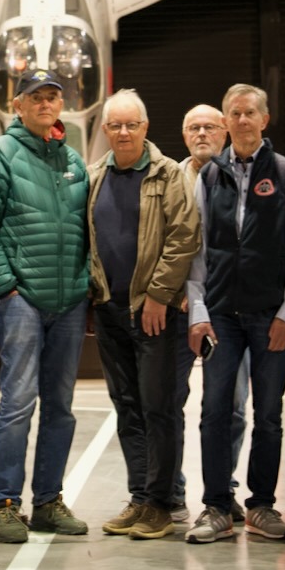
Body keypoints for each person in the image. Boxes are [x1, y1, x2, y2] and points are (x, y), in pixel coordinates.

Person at [0, 68, 91, 544]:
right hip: (23, 301)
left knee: (61, 407)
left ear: (61, 105)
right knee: (17, 403)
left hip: (69, 302)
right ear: (17, 105)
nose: (45, 103)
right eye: (35, 97)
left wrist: (83, 283)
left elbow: (87, 230)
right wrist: (6, 287)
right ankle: (3, 504)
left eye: (52, 96)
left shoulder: (73, 160)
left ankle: (48, 502)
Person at [185, 84, 285, 543]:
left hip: (269, 315)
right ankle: (217, 507)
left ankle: (262, 506)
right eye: (235, 114)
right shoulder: (208, 177)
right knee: (214, 411)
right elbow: (197, 252)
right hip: (220, 315)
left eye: (250, 113)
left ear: (265, 119)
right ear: (226, 122)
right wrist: (198, 311)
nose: (242, 121)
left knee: (269, 414)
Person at [89, 90, 201, 540]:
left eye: (131, 125)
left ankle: (161, 503)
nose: (123, 133)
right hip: (110, 312)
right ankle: (140, 497)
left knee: (159, 409)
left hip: (153, 312)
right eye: (115, 125)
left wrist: (158, 295)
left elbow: (184, 236)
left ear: (145, 128)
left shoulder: (168, 173)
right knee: (128, 408)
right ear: (104, 130)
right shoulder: (95, 176)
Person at [172, 104, 250, 525]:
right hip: (175, 310)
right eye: (193, 127)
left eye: (210, 127)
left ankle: (224, 488)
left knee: (231, 407)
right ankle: (172, 491)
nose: (202, 133)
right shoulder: (169, 178)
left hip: (226, 312)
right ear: (184, 134)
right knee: (171, 403)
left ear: (225, 131)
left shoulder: (244, 176)